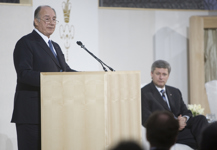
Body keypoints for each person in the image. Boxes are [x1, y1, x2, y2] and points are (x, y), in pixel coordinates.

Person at [11, 5, 77, 150]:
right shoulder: (26, 43)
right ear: (36, 21)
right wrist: (53, 80)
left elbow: (64, 71)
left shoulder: (55, 46)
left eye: (54, 19)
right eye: (47, 19)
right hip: (31, 114)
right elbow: (24, 74)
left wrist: (85, 77)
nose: (52, 23)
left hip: (52, 111)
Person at [141, 60, 208, 149]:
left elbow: (186, 111)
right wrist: (174, 124)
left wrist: (184, 119)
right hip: (166, 131)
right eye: (158, 74)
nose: (161, 77)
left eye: (164, 74)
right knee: (200, 137)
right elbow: (147, 120)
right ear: (152, 74)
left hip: (182, 127)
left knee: (201, 119)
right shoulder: (144, 93)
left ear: (168, 76)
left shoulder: (175, 91)